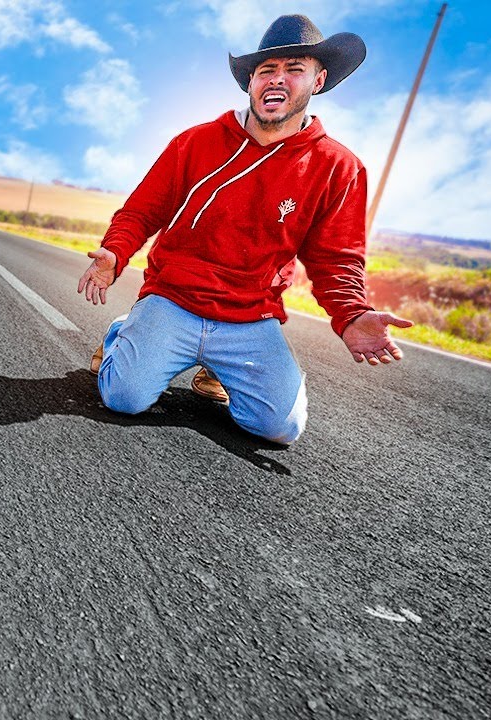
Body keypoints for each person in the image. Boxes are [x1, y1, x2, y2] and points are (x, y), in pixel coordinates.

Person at [77, 14, 413, 445]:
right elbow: (141, 211)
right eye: (266, 70)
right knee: (124, 398)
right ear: (251, 82)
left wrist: (351, 313)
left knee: (281, 429)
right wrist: (115, 251)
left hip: (250, 317)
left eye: (294, 69)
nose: (278, 78)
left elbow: (336, 258)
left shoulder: (339, 167)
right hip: (174, 298)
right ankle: (125, 332)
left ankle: (217, 366)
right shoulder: (194, 142)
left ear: (319, 80)